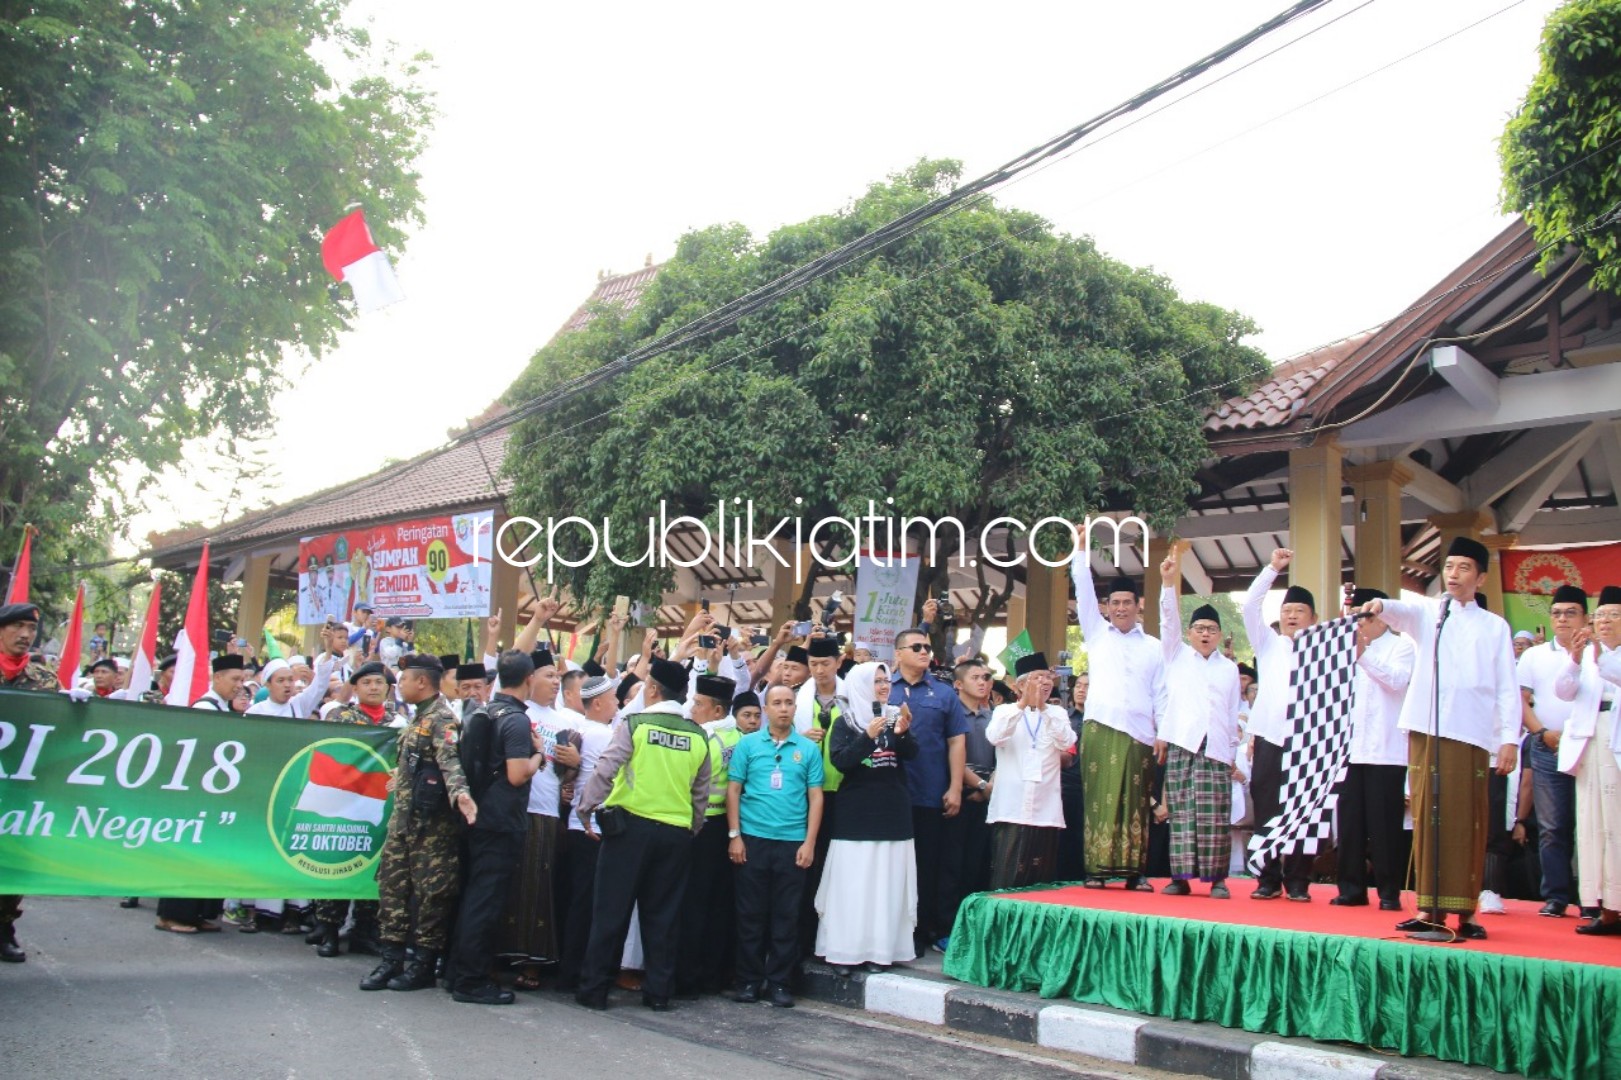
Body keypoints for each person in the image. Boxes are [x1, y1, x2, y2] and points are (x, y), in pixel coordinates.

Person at [1359, 536, 1520, 942]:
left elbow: (1506, 686)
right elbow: (1402, 610)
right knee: (1426, 816)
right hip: (1426, 726)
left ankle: (1464, 911)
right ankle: (1428, 907)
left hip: (1469, 731)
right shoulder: (1431, 612)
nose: (1454, 575)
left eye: (1464, 568)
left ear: (1480, 577)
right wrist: (1381, 606)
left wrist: (1509, 739)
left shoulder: (1495, 627)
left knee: (1464, 820)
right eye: (1450, 567)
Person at [573, 656, 712, 1011]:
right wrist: (691, 828)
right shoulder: (698, 735)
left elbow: (607, 768)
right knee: (662, 917)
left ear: (652, 689)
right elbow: (701, 793)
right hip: (676, 835)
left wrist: (586, 807)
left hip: (629, 830)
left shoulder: (635, 723)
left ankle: (594, 990)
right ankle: (659, 994)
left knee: (611, 912)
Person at [360, 655, 478, 991]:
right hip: (403, 825)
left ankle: (423, 965)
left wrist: (461, 795)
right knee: (393, 892)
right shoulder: (416, 718)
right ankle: (390, 960)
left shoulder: (442, 719)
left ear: (422, 682)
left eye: (404, 679)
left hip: (432, 830)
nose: (399, 685)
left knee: (431, 897)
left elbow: (449, 761)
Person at [1070, 526, 1166, 891]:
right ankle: (1096, 869)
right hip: (1100, 727)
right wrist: (1080, 550)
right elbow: (1082, 588)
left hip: (1142, 732)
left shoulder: (1154, 646)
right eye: (1115, 603)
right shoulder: (1096, 634)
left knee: (1136, 802)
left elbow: (1162, 694)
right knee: (1099, 800)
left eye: (1127, 603)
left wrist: (1163, 734)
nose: (1121, 608)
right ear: (1106, 608)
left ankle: (1134, 872)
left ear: (1138, 605)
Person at [449, 650, 540, 1005]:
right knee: (485, 902)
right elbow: (517, 774)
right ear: (529, 678)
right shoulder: (515, 719)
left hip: (479, 817)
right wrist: (538, 756)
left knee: (474, 897)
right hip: (500, 822)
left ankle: (460, 971)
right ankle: (471, 980)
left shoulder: (486, 710)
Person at [818, 662, 917, 974]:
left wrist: (903, 733)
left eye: (886, 680)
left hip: (892, 812)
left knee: (885, 885)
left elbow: (911, 755)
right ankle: (844, 952)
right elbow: (841, 761)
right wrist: (867, 737)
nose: (884, 686)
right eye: (876, 681)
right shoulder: (846, 721)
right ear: (861, 684)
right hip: (856, 816)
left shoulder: (893, 717)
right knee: (853, 885)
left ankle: (879, 952)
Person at [729, 683, 825, 1007]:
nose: (783, 708)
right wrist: (734, 835)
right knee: (749, 915)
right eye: (777, 703)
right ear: (766, 709)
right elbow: (733, 790)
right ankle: (748, 981)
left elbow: (815, 796)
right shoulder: (748, 745)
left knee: (786, 917)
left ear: (795, 708)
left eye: (789, 703)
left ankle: (780, 983)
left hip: (792, 842)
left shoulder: (808, 750)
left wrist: (809, 842)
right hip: (753, 840)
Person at [1156, 551, 1242, 898]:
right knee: (1182, 813)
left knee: (1214, 815)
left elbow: (1233, 711)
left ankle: (1217, 878)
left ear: (1220, 635)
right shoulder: (1176, 655)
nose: (1205, 634)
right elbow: (1167, 622)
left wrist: (1232, 750)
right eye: (1199, 629)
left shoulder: (1230, 669)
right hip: (1182, 743)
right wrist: (1166, 583)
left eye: (1211, 629)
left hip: (1217, 748)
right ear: (1189, 633)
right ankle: (1180, 878)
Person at [499, 647, 578, 986]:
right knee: (506, 885)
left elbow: (569, 775)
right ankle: (497, 957)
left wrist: (572, 764)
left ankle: (531, 962)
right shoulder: (515, 711)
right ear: (529, 678)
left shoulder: (566, 722)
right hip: (513, 808)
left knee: (537, 887)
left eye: (558, 677)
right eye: (548, 675)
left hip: (546, 811)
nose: (555, 682)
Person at [1332, 587, 1415, 911]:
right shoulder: (1342, 650)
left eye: (1360, 617)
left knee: (1385, 825)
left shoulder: (1401, 647)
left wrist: (1362, 655)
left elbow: (1396, 681)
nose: (1356, 623)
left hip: (1386, 749)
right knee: (1350, 824)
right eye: (1352, 617)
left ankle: (1389, 891)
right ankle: (1351, 888)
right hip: (1351, 749)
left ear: (1378, 616)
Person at [1242, 548, 1317, 901]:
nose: (1291, 616)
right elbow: (1249, 607)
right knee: (1268, 808)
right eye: (1286, 611)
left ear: (1312, 617)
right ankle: (1268, 878)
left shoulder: (1324, 647)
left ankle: (1298, 880)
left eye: (1298, 611)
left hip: (1308, 740)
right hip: (1270, 737)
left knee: (1302, 811)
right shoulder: (1268, 644)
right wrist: (1272, 569)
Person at [889, 625, 969, 953]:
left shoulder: (945, 693)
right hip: (890, 795)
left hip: (931, 792)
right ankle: (896, 931)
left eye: (927, 647)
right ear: (898, 654)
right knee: (894, 867)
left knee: (930, 864)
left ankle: (928, 930)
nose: (925, 652)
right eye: (917, 647)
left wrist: (955, 788)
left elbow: (956, 741)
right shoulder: (883, 690)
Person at [1516, 584, 1588, 917]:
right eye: (1557, 613)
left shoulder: (1598, 654)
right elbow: (1520, 700)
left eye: (1570, 612)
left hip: (1589, 747)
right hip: (1547, 747)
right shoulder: (1534, 655)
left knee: (1590, 824)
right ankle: (1557, 897)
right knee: (1552, 827)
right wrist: (1541, 732)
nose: (1562, 619)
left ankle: (1594, 899)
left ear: (1585, 617)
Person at [0, 603, 65, 962]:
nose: (25, 635)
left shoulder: (45, 680)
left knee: (11, 858)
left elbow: (60, 729)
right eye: (18, 627)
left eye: (30, 628)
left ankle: (4, 927)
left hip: (20, 787)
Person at [1554, 585, 1621, 934]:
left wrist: (1597, 656)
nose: (1605, 622)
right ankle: (1603, 907)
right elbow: (1563, 691)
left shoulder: (1606, 656)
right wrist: (1576, 660)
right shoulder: (1588, 653)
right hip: (1589, 739)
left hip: (1616, 737)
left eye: (1613, 615)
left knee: (1617, 825)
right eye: (1601, 616)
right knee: (1591, 823)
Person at [556, 675, 628, 992]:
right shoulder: (602, 735)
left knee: (577, 901)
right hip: (593, 830)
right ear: (597, 702)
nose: (618, 704)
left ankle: (570, 969)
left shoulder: (582, 730)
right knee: (590, 906)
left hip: (576, 826)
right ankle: (579, 970)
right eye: (614, 698)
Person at [986, 654, 1077, 889]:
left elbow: (1067, 740)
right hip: (1011, 809)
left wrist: (1044, 708)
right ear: (1021, 685)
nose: (1046, 683)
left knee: (1040, 879)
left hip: (1045, 809)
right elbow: (995, 737)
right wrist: (1024, 704)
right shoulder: (1004, 711)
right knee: (1007, 876)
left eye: (1048, 678)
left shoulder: (1057, 713)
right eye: (1038, 678)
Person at [676, 673, 740, 998]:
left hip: (701, 827)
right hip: (729, 830)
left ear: (716, 711)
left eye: (698, 704)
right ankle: (712, 975)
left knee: (694, 904)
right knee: (718, 904)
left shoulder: (705, 739)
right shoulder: (740, 738)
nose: (691, 709)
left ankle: (688, 977)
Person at [793, 634, 847, 956]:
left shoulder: (852, 697)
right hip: (807, 793)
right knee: (808, 866)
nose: (819, 670)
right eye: (813, 664)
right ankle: (807, 936)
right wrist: (802, 737)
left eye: (826, 663)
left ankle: (834, 936)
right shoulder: (799, 699)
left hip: (843, 792)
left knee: (837, 866)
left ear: (838, 663)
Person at [947, 659, 996, 916]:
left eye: (986, 677)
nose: (982, 682)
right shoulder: (951, 714)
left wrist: (988, 787)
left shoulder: (993, 716)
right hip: (959, 796)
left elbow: (1003, 756)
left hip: (988, 798)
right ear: (958, 684)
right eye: (975, 677)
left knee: (979, 864)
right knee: (953, 864)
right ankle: (947, 923)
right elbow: (951, 754)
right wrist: (978, 784)